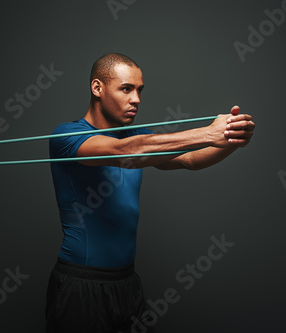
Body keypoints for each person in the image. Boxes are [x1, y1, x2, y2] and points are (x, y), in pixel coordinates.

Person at [45, 53, 255, 333]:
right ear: (98, 88)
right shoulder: (67, 136)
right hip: (81, 284)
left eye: (139, 90)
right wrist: (208, 133)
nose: (136, 99)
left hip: (127, 281)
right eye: (126, 89)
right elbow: (126, 151)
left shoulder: (139, 137)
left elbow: (189, 160)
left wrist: (230, 139)